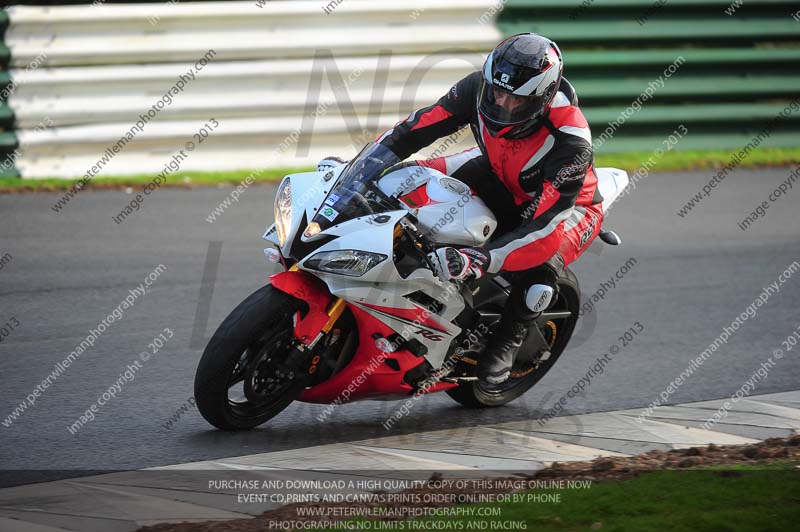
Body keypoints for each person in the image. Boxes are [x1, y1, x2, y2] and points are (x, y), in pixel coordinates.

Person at [341, 33, 603, 388]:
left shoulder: (571, 141)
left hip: (568, 209)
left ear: (540, 100)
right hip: (501, 173)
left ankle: (508, 341)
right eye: (497, 92)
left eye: (515, 101)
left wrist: (481, 258)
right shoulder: (478, 88)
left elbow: (544, 227)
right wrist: (357, 174)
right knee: (405, 182)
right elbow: (408, 133)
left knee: (542, 261)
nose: (501, 104)